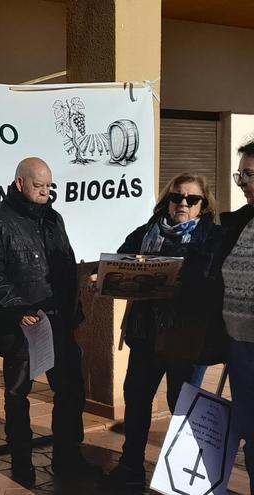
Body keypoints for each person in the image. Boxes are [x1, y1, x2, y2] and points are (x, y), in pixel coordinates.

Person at [0, 157, 96, 488]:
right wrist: (17, 307)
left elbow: (66, 265)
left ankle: (68, 456)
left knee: (70, 389)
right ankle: (21, 460)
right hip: (21, 323)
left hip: (58, 319)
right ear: (20, 184)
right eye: (38, 186)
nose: (45, 192)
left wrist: (76, 305)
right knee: (18, 393)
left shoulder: (54, 218)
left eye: (48, 186)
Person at [98, 172, 224, 490]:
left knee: (182, 406)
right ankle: (130, 468)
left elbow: (216, 285)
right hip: (145, 334)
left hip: (185, 338)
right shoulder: (148, 231)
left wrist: (181, 286)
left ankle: (184, 476)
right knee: (137, 401)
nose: (182, 203)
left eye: (191, 199)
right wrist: (106, 276)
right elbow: (122, 259)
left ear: (203, 205)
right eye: (176, 197)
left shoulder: (212, 237)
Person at [221, 141, 254, 494]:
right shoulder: (240, 221)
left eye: (249, 174)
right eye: (240, 174)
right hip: (240, 345)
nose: (242, 182)